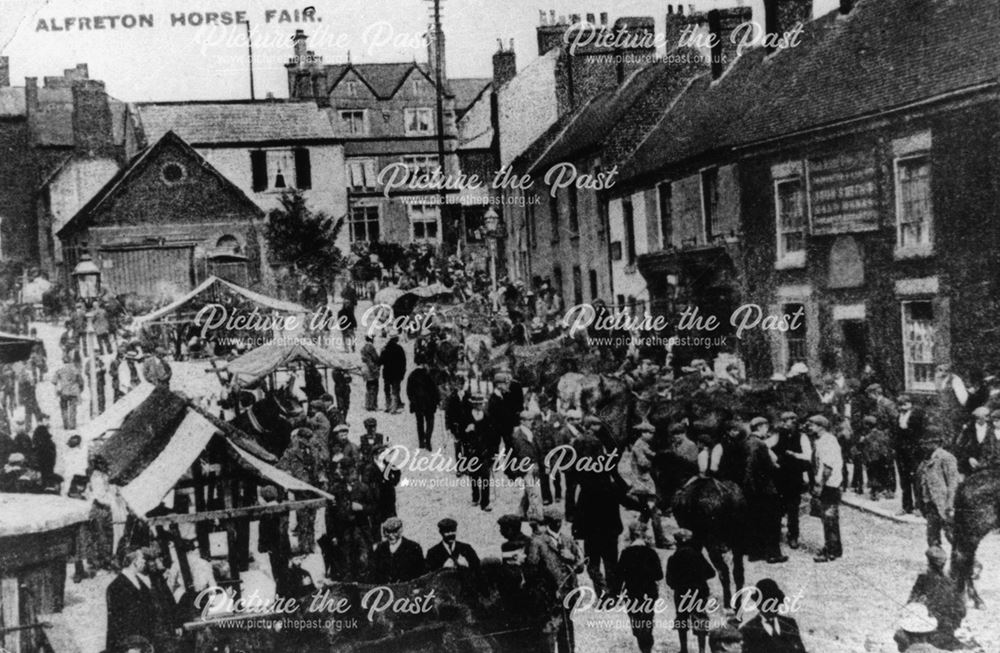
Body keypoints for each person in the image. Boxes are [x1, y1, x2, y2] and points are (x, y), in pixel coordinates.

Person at [525, 506, 584, 653]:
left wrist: (571, 558)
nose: (558, 524)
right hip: (549, 597)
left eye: (560, 521)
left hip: (568, 594)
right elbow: (531, 571)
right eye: (554, 521)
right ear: (547, 522)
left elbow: (581, 567)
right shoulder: (537, 542)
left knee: (568, 635)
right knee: (549, 636)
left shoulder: (568, 540)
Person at [901, 547, 966, 651]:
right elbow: (961, 608)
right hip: (949, 625)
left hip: (934, 625)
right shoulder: (950, 581)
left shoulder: (924, 579)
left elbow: (912, 599)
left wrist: (908, 610)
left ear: (929, 562)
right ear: (944, 563)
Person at [614, 521, 663, 653]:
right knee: (647, 620)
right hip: (648, 594)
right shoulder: (651, 553)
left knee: (636, 622)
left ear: (631, 535)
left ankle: (642, 642)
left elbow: (619, 576)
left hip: (632, 594)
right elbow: (659, 575)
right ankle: (647, 646)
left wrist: (615, 594)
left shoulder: (626, 553)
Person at [666, 528, 715, 653]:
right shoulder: (698, 555)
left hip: (681, 593)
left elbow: (669, 581)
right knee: (700, 619)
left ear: (678, 542)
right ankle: (702, 650)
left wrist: (678, 584)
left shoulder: (674, 558)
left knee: (681, 619)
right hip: (699, 592)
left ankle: (684, 649)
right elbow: (711, 573)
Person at [807, 414, 843, 562]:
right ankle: (834, 547)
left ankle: (831, 551)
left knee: (829, 518)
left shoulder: (828, 441)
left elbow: (828, 467)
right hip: (827, 483)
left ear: (821, 426)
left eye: (812, 425)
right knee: (827, 517)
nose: (809, 427)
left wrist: (819, 485)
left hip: (829, 484)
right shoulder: (821, 440)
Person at [772, 411, 811, 549]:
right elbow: (767, 447)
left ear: (794, 422)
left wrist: (794, 455)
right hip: (779, 476)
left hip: (794, 476)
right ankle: (775, 535)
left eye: (787, 421)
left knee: (793, 509)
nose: (784, 424)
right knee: (777, 507)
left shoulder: (802, 437)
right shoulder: (777, 435)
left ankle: (793, 536)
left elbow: (808, 456)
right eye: (783, 421)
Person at [106, 547, 156, 652]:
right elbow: (116, 622)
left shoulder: (140, 582)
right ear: (134, 563)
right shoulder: (116, 587)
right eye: (141, 558)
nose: (144, 561)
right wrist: (129, 647)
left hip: (144, 641)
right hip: (129, 645)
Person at [916, 429, 959, 547]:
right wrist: (920, 503)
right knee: (932, 537)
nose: (924, 446)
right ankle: (936, 563)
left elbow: (953, 482)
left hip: (944, 504)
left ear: (937, 443)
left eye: (928, 443)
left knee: (952, 535)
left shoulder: (946, 458)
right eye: (924, 443)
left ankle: (969, 561)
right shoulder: (925, 460)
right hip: (930, 503)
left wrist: (950, 503)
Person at [740, 578, 807, 652]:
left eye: (775, 603)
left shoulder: (790, 624)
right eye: (768, 605)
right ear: (759, 605)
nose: (772, 608)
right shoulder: (748, 630)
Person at [508, 410, 545, 528]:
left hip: (534, 465)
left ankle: (520, 513)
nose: (531, 422)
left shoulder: (531, 433)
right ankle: (538, 516)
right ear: (522, 421)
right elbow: (514, 454)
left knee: (528, 491)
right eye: (528, 420)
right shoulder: (517, 436)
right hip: (525, 467)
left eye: (532, 420)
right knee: (534, 492)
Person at [367, 517, 425, 583]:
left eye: (394, 532)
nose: (391, 535)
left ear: (401, 530)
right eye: (388, 532)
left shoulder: (413, 548)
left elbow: (421, 574)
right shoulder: (379, 549)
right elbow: (374, 574)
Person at [467, 394, 498, 512]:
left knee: (485, 477)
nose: (480, 405)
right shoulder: (467, 416)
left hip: (485, 451)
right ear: (473, 404)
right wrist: (467, 430)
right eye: (478, 403)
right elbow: (461, 435)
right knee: (474, 476)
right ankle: (475, 497)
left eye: (482, 403)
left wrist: (493, 452)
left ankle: (485, 502)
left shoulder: (487, 416)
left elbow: (493, 435)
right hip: (472, 451)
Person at [896, 395, 926, 515]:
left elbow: (920, 434)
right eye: (900, 405)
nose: (902, 407)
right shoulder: (898, 416)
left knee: (916, 479)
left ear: (910, 404)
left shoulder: (917, 416)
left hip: (914, 452)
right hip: (901, 452)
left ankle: (919, 506)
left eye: (904, 404)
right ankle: (906, 506)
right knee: (904, 480)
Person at [258, 485, 292, 589]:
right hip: (284, 544)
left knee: (277, 573)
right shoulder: (283, 508)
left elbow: (263, 531)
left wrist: (262, 546)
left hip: (274, 547)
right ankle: (287, 596)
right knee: (285, 570)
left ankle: (281, 596)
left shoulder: (265, 513)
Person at [406, 360, 440, 450]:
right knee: (430, 421)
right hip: (429, 403)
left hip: (418, 403)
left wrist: (412, 401)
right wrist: (437, 400)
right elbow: (434, 389)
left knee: (419, 423)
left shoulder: (412, 375)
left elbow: (409, 391)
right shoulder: (429, 375)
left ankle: (421, 442)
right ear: (424, 364)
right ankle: (428, 439)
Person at [53, 354, 84, 430]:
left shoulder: (60, 370)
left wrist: (57, 390)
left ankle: (66, 425)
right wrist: (80, 390)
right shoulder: (75, 369)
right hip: (73, 392)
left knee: (64, 409)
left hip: (63, 392)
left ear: (63, 361)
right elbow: (81, 381)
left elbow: (54, 381)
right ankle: (72, 425)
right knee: (73, 409)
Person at [379, 334, 406, 414]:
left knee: (387, 390)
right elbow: (403, 362)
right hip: (397, 374)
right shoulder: (399, 349)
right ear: (396, 340)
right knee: (395, 390)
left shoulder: (385, 349)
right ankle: (394, 408)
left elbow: (380, 361)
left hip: (387, 373)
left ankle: (388, 406)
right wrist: (402, 373)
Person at [361, 335, 381, 411]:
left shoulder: (363, 348)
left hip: (365, 368)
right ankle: (372, 405)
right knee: (374, 387)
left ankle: (368, 404)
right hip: (372, 369)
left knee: (368, 387)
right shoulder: (371, 347)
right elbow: (376, 358)